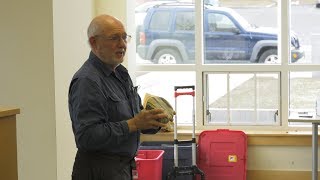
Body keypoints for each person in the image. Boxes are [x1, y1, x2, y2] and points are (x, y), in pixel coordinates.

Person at [68, 14, 169, 180]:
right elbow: (87, 136)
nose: (122, 44)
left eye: (124, 37)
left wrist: (153, 120)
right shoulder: (87, 81)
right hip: (98, 171)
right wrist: (134, 123)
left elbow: (135, 117)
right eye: (114, 38)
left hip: (123, 168)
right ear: (94, 43)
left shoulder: (121, 73)